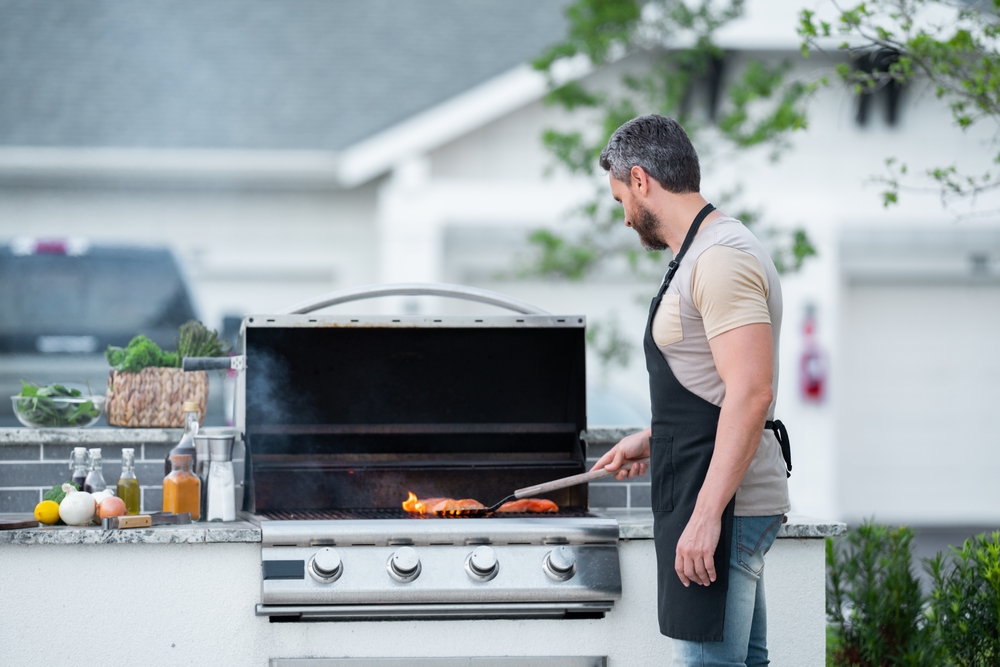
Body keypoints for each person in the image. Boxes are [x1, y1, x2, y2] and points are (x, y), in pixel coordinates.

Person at [591, 114, 791, 667]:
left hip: (724, 507)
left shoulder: (720, 258)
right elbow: (715, 386)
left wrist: (705, 517)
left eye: (620, 200)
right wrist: (655, 437)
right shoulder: (699, 253)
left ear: (639, 180)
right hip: (715, 496)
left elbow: (751, 393)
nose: (626, 218)